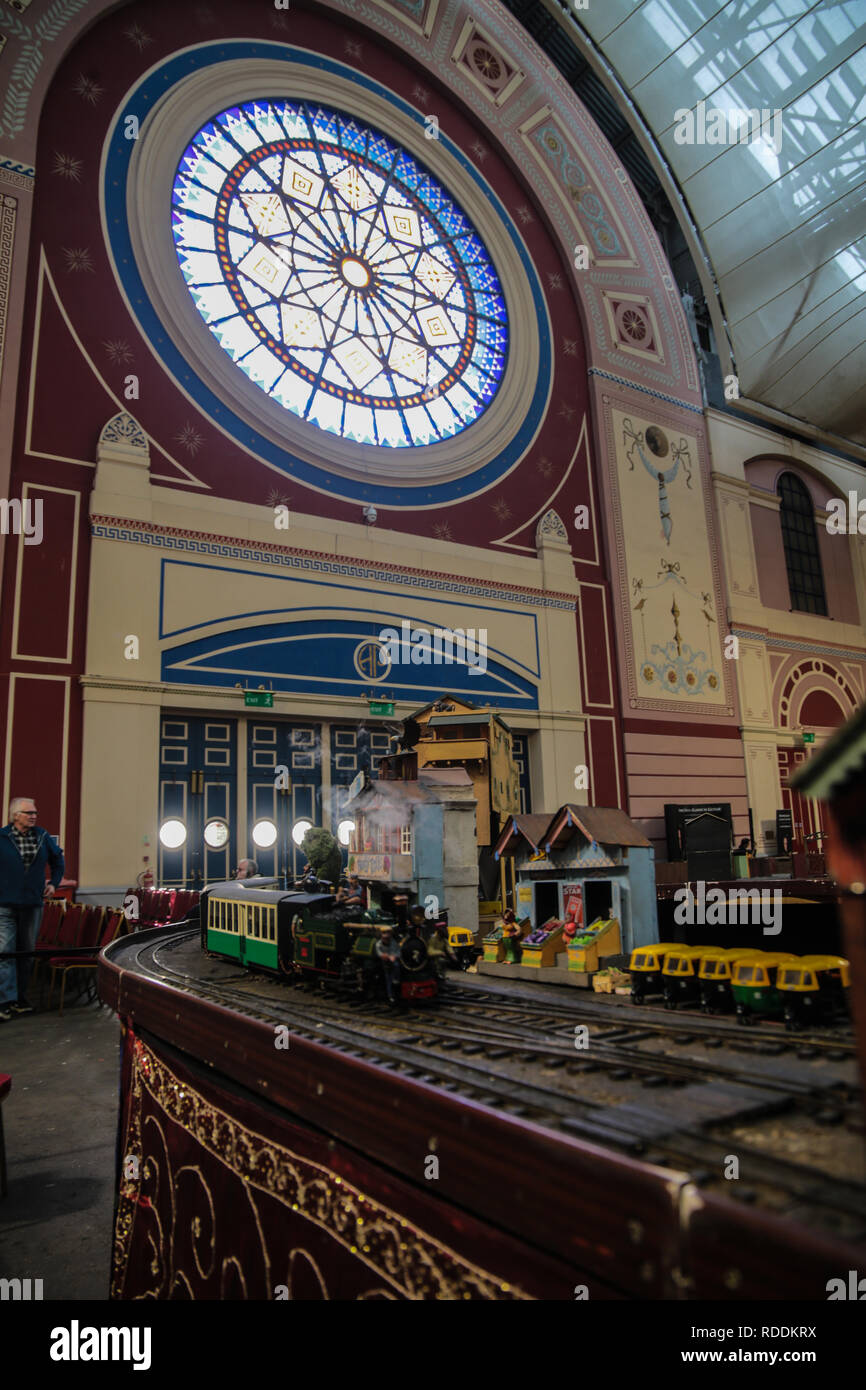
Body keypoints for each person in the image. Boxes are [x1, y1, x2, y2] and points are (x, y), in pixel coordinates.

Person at [0, 797, 64, 1021]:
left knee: (26, 953)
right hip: (5, 904)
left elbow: (58, 860)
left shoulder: (42, 837)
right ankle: (6, 1000)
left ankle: (20, 998)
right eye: (29, 813)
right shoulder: (2, 838)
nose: (34, 816)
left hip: (32, 904)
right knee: (6, 952)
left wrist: (54, 883)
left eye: (35, 812)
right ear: (15, 816)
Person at [375, 924, 401, 1003]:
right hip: (384, 964)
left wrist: (394, 956)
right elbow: (379, 953)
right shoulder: (378, 944)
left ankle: (396, 980)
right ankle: (390, 995)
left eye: (388, 933)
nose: (386, 937)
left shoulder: (393, 943)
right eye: (384, 933)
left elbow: (398, 952)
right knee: (388, 979)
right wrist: (384, 956)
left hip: (393, 962)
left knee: (396, 966)